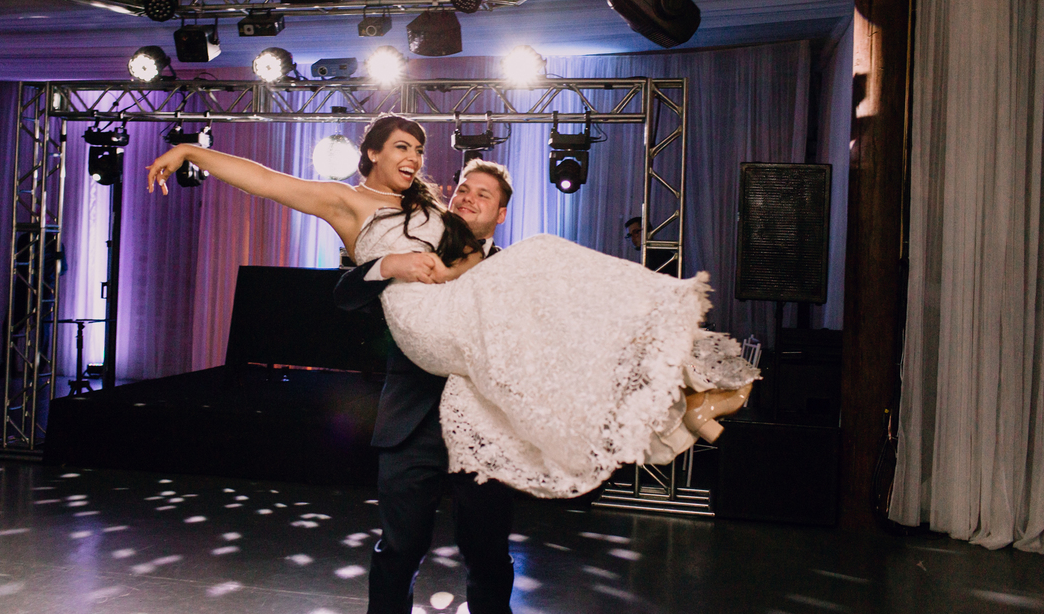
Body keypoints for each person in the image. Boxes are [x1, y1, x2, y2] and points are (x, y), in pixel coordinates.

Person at [146, 115, 757, 498]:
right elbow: (266, 180)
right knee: (541, 259)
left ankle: (687, 399)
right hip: (419, 323)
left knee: (557, 329)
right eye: (402, 147)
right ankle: (681, 390)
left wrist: (457, 267)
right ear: (372, 154)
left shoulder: (434, 211)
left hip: (454, 308)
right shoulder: (347, 202)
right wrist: (192, 153)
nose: (414, 158)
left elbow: (469, 263)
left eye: (418, 149)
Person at [335, 158, 516, 614]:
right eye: (463, 189)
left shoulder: (513, 270)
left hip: (485, 432)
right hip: (411, 425)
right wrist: (390, 265)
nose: (468, 198)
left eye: (483, 194)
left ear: (500, 215)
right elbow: (344, 295)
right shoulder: (411, 248)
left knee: (488, 555)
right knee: (398, 551)